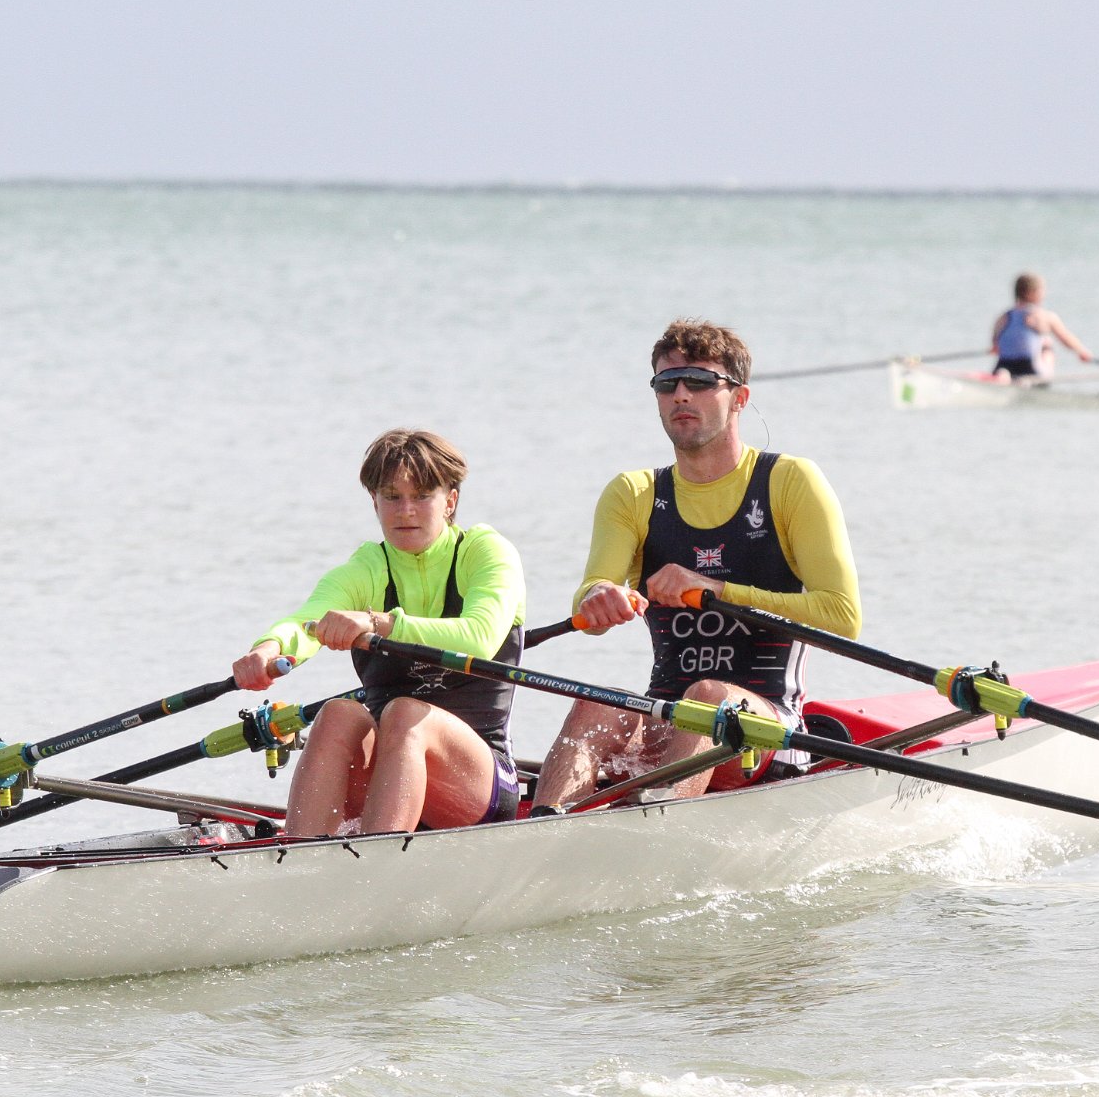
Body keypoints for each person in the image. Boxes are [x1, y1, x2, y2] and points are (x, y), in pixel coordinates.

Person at [533, 319, 862, 811]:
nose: (681, 395)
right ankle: (543, 832)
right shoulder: (633, 493)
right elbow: (592, 592)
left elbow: (842, 617)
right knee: (595, 703)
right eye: (667, 384)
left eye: (701, 382)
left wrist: (715, 589)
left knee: (708, 695)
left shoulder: (790, 481)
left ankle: (656, 825)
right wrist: (598, 598)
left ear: (740, 397)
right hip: (666, 719)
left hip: (765, 727)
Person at [232, 429, 527, 837]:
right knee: (339, 714)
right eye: (391, 497)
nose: (405, 510)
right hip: (387, 781)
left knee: (407, 713)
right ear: (375, 502)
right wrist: (268, 650)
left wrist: (378, 623)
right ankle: (299, 857)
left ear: (450, 502)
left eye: (422, 496)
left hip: (478, 786)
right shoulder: (368, 567)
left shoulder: (485, 553)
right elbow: (308, 620)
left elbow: (480, 636)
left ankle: (377, 862)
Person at [991, 273, 1091, 380]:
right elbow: (1065, 338)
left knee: (1004, 372)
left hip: (1004, 364)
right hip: (1030, 369)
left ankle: (1002, 376)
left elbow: (995, 347)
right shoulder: (1044, 316)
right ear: (1031, 293)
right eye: (1042, 290)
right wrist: (1082, 352)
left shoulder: (1003, 317)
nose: (1045, 293)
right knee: (1047, 343)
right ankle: (1042, 378)